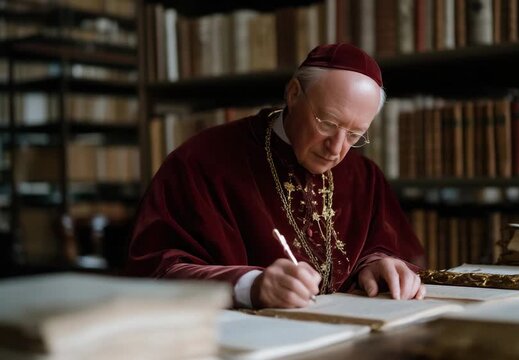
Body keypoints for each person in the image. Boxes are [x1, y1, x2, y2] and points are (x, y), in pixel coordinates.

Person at [126, 43, 426, 309]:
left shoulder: (364, 176)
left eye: (354, 134)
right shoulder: (202, 160)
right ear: (294, 94)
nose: (336, 149)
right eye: (327, 123)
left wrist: (377, 266)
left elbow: (382, 246)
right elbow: (156, 270)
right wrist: (251, 286)